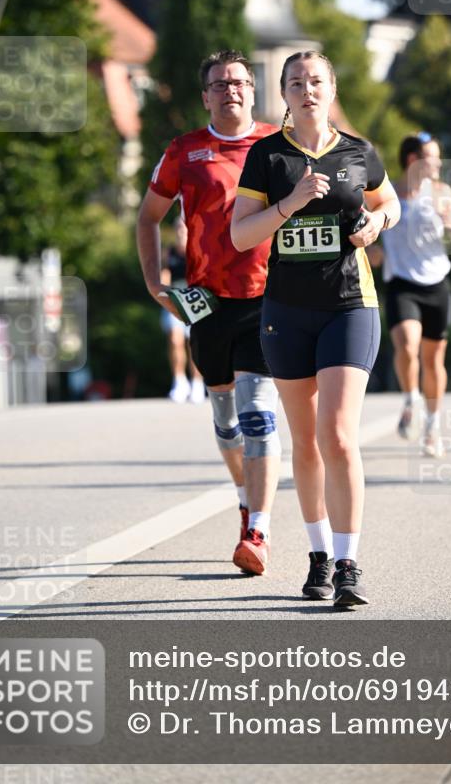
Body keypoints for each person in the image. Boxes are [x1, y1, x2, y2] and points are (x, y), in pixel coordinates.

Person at [231, 51, 400, 607]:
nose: (308, 89)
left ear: (332, 88)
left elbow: (389, 203)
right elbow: (240, 236)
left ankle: (350, 564)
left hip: (350, 304)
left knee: (338, 434)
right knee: (305, 440)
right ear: (283, 92)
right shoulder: (266, 156)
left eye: (317, 81)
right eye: (296, 82)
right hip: (286, 311)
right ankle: (319, 556)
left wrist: (375, 222)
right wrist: (290, 203)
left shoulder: (358, 151)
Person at [137, 50, 282, 574]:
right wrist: (157, 284)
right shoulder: (185, 151)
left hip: (267, 300)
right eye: (219, 84)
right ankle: (246, 497)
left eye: (239, 82)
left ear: (252, 89)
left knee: (258, 412)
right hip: (207, 305)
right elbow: (148, 218)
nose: (231, 90)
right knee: (226, 423)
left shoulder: (276, 144)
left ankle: (258, 530)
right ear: (206, 96)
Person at [381, 133, 451, 458]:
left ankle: (433, 426)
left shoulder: (442, 193)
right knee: (406, 344)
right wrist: (372, 250)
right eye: (433, 156)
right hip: (402, 284)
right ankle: (411, 398)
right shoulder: (387, 192)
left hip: (437, 284)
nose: (439, 163)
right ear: (413, 160)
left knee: (433, 360)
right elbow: (375, 235)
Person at [160, 217, 206, 404]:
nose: (181, 231)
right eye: (178, 227)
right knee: (175, 339)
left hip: (195, 303)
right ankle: (179, 381)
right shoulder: (169, 253)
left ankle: (197, 382)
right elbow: (164, 278)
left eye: (184, 228)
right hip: (175, 302)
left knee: (193, 343)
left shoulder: (196, 251)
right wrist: (166, 297)